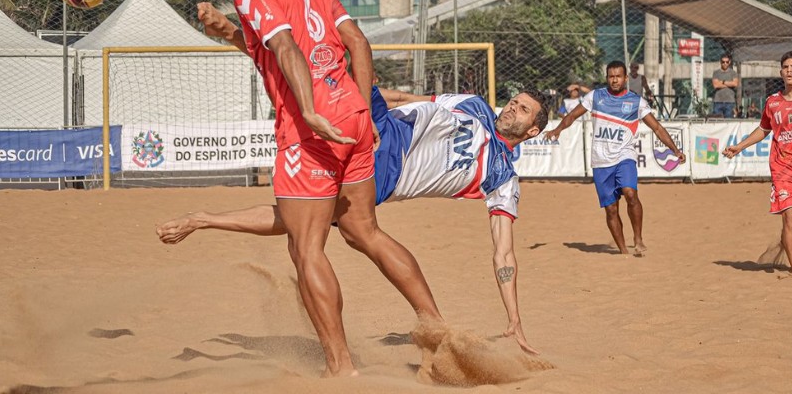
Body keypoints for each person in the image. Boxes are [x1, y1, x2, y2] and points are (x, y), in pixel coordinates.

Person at [158, 85, 550, 355]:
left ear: (532, 130)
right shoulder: (475, 105)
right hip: (381, 123)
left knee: (304, 218)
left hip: (382, 170)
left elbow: (503, 254)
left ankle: (202, 219)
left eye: (523, 109)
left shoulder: (503, 178)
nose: (512, 107)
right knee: (344, 54)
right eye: (514, 101)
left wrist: (514, 318)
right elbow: (413, 99)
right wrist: (369, 94)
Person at [210, 0, 443, 376]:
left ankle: (341, 367)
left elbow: (286, 47)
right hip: (354, 117)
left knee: (306, 248)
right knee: (363, 232)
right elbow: (356, 43)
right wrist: (366, 111)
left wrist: (311, 111)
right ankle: (437, 329)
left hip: (311, 128)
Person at [543, 61, 686, 256]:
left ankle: (638, 238)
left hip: (624, 156)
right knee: (611, 209)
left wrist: (675, 150)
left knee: (630, 193)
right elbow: (572, 116)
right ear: (607, 77)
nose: (615, 79)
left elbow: (658, 128)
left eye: (618, 76)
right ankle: (623, 251)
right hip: (600, 161)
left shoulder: (636, 102)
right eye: (611, 76)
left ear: (626, 78)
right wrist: (557, 129)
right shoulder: (595, 97)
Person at [723, 51, 792, 277]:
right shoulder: (773, 102)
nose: (789, 70)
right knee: (789, 216)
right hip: (783, 168)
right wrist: (740, 146)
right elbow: (764, 129)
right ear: (780, 72)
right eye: (786, 67)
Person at [712, 54, 739, 118]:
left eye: (727, 62)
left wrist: (722, 82)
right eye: (723, 62)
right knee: (717, 122)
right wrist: (729, 84)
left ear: (729, 62)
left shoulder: (733, 73)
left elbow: (735, 84)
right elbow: (715, 85)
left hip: (729, 102)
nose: (725, 63)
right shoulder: (716, 73)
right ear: (720, 62)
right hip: (718, 101)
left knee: (729, 122)